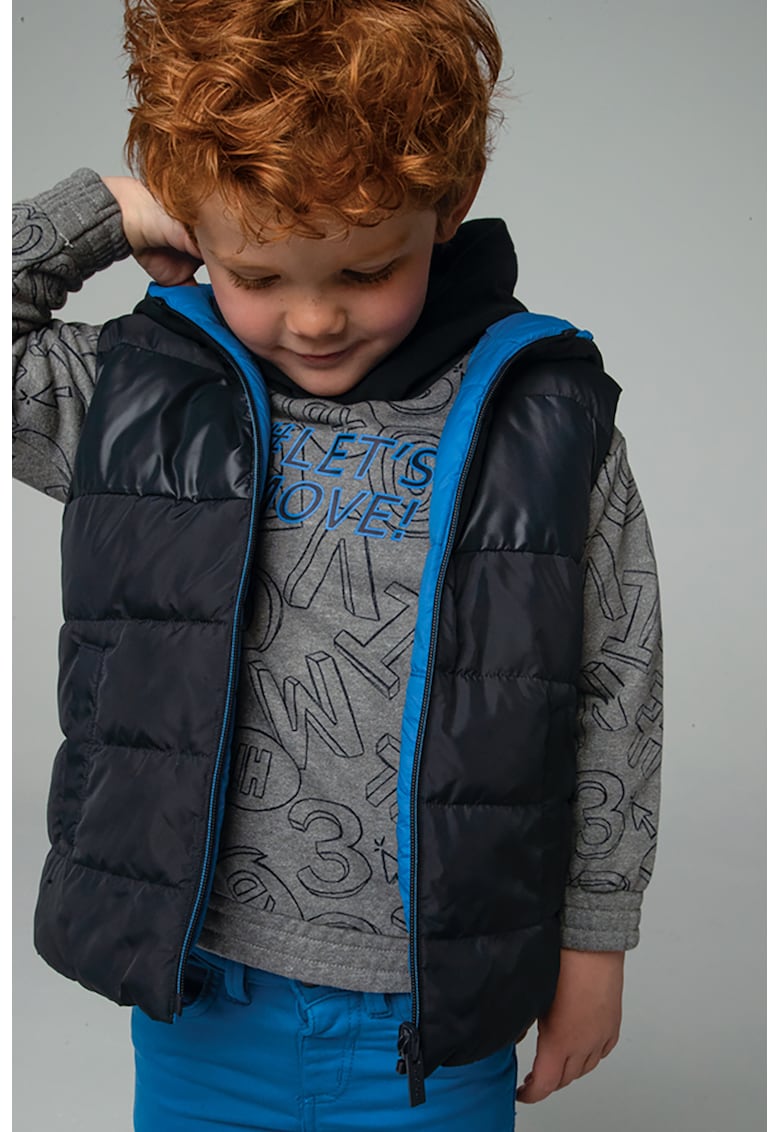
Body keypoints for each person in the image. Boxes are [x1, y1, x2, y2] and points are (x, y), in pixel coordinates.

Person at [12, 0, 663, 1128]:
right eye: (258, 274)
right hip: (204, 1001)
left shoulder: (543, 421)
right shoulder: (134, 397)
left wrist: (596, 943)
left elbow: (618, 688)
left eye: (366, 270)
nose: (313, 319)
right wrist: (109, 209)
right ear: (200, 234)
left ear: (447, 208)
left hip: (429, 1021)